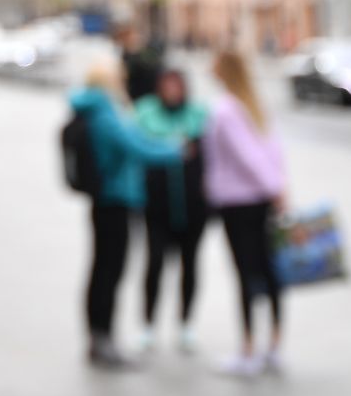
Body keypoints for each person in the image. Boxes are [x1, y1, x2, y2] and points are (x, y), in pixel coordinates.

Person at [69, 61, 186, 369]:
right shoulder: (106, 113)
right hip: (114, 200)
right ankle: (102, 338)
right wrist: (176, 150)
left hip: (108, 200)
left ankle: (100, 337)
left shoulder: (95, 110)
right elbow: (137, 147)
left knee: (102, 270)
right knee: (109, 272)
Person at [204, 49, 288, 376]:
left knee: (245, 273)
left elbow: (246, 157)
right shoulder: (255, 106)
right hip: (261, 201)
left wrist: (274, 188)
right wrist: (279, 189)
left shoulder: (226, 110)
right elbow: (273, 152)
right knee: (269, 270)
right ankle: (275, 344)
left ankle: (249, 347)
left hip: (239, 203)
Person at [133, 69, 209, 353]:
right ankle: (148, 324)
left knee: (189, 266)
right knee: (154, 264)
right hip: (156, 208)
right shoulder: (145, 115)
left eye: (177, 85)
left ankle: (186, 323)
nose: (172, 90)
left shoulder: (198, 116)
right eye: (167, 85)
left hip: (193, 209)